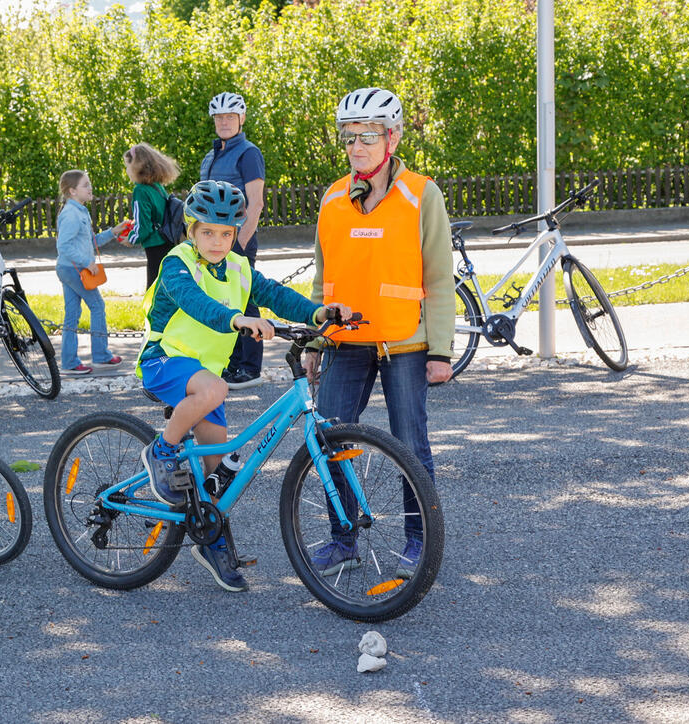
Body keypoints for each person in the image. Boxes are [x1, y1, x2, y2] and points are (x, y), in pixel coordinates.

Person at [137, 180, 349, 593]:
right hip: (164, 360)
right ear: (191, 231)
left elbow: (273, 293)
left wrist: (318, 310)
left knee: (221, 478)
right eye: (207, 232)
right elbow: (196, 302)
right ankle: (161, 451)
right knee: (217, 390)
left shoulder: (237, 267)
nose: (217, 242)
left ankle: (210, 538)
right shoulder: (178, 263)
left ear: (236, 234)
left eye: (226, 233)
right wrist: (237, 319)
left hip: (205, 378)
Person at [303, 88, 453, 580]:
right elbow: (323, 278)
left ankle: (418, 541)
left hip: (405, 343)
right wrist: (316, 338)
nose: (357, 147)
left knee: (410, 441)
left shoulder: (421, 194)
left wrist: (441, 350)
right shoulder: (331, 198)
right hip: (345, 342)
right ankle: (343, 538)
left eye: (367, 136)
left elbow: (437, 277)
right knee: (329, 438)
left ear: (393, 136)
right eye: (349, 138)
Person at [199, 92, 267, 389]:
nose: (224, 122)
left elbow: (256, 203)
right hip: (214, 242)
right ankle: (231, 363)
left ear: (241, 119)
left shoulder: (248, 153)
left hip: (237, 242)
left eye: (230, 117)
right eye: (219, 117)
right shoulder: (212, 155)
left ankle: (250, 367)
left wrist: (239, 246)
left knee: (246, 300)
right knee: (224, 299)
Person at [55, 170, 131, 376]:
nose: (90, 188)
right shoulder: (71, 214)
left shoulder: (80, 211)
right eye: (85, 185)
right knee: (97, 306)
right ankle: (101, 356)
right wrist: (86, 263)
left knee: (72, 314)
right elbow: (64, 246)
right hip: (73, 269)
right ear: (72, 191)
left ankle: (69, 362)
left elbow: (91, 242)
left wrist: (113, 232)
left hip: (70, 268)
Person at [123, 143, 182, 288]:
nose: (126, 170)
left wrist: (130, 239)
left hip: (155, 245)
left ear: (137, 166)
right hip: (167, 241)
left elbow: (144, 228)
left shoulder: (140, 191)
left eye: (127, 165)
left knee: (154, 288)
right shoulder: (158, 187)